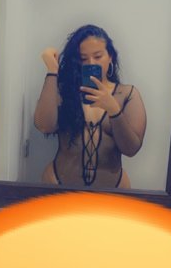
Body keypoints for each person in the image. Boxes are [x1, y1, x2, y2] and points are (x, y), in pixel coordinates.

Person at [34, 24, 146, 189]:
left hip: (113, 192)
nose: (90, 63)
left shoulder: (127, 94)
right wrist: (52, 71)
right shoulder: (64, 90)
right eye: (83, 58)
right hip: (58, 185)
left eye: (98, 56)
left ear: (111, 57)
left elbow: (131, 149)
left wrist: (114, 110)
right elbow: (44, 125)